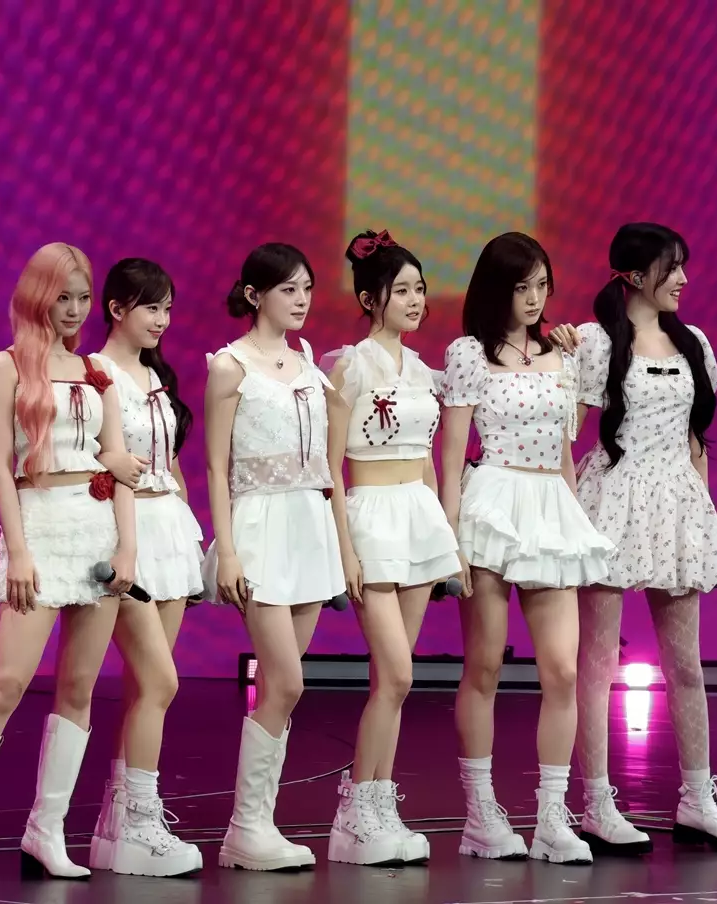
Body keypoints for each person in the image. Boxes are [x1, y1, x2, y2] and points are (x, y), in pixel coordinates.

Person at [0, 243, 200, 885]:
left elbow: (118, 464)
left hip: (98, 533)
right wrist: (18, 550)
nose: (74, 310)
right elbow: (2, 468)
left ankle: (46, 832)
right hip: (41, 528)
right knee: (5, 684)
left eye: (82, 298)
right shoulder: (4, 367)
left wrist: (126, 547)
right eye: (63, 297)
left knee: (79, 690)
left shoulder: (96, 372)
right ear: (37, 297)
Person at [571, 222, 717, 853]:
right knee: (598, 664)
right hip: (612, 502)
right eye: (670, 267)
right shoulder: (595, 343)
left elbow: (697, 439)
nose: (682, 278)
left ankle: (698, 800)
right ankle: (596, 803)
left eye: (682, 266)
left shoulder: (694, 343)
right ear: (632, 274)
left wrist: (701, 512)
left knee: (686, 666)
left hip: (676, 505)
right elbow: (566, 434)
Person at [439, 232, 612, 866]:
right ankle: (481, 814)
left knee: (562, 670)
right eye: (522, 287)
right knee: (484, 666)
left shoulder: (562, 354)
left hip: (549, 506)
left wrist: (574, 516)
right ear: (497, 290)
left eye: (542, 285)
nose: (535, 298)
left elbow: (565, 448)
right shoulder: (469, 354)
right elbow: (451, 453)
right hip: (491, 505)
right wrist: (450, 538)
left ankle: (550, 817)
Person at [318, 230, 460, 866]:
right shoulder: (351, 366)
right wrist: (344, 549)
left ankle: (376, 808)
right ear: (370, 299)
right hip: (371, 519)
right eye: (402, 290)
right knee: (398, 673)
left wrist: (444, 532)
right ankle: (354, 810)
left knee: (392, 684)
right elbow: (329, 463)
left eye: (419, 289)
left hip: (417, 518)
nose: (415, 300)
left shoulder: (422, 371)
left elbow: (427, 459)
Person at [203, 243, 345, 871]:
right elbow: (215, 466)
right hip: (258, 526)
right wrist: (228, 550)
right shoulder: (229, 366)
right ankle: (247, 827)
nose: (302, 300)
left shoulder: (308, 360)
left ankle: (254, 828)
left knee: (281, 691)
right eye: (289, 289)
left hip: (308, 526)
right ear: (254, 294)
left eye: (307, 288)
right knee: (285, 681)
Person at [83, 258, 207, 872]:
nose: (162, 320)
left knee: (146, 689)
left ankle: (118, 827)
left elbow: (169, 458)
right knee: (160, 681)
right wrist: (121, 542)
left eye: (167, 309)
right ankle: (138, 822)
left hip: (169, 530)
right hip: (123, 533)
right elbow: (99, 460)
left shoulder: (155, 374)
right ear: (116, 308)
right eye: (151, 307)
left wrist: (188, 519)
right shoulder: (96, 372)